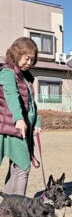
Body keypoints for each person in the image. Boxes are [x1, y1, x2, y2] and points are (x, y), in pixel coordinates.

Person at [0, 37, 41, 196]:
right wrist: (19, 119)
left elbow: (31, 103)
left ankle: (9, 212)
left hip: (21, 130)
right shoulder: (7, 73)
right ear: (17, 54)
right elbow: (12, 96)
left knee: (19, 166)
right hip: (8, 128)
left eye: (32, 59)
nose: (29, 62)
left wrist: (36, 121)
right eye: (27, 58)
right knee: (23, 167)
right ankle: (15, 211)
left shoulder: (27, 76)